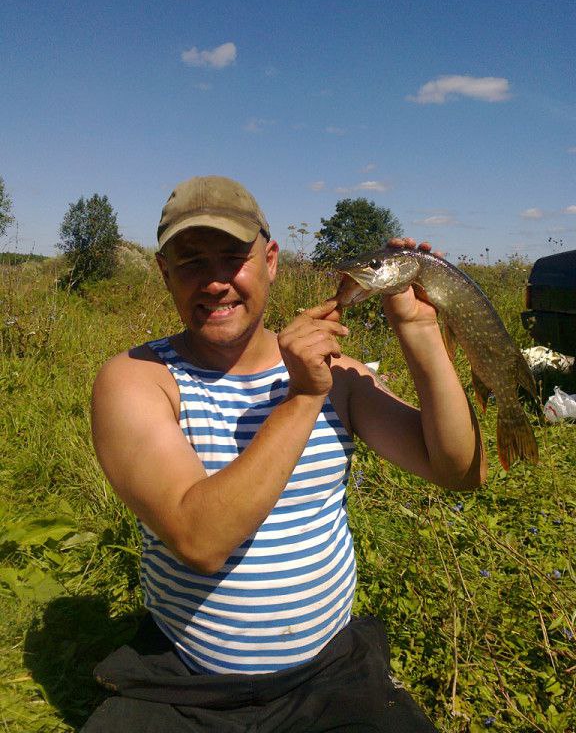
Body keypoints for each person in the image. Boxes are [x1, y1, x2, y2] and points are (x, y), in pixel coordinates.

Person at [84, 175, 486, 732]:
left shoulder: (338, 375)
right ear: (165, 273)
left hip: (329, 673)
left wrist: (419, 332)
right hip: (185, 681)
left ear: (270, 260)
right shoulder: (137, 380)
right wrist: (302, 398)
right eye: (191, 261)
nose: (216, 281)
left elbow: (458, 470)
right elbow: (199, 540)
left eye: (233, 257)